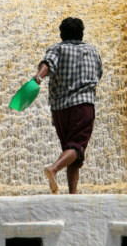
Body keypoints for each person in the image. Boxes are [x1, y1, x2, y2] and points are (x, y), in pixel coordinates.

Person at [35, 17, 103, 194]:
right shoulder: (92, 51)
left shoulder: (57, 48)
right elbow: (99, 73)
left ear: (62, 34)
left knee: (71, 150)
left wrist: (39, 77)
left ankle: (72, 193)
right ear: (81, 34)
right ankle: (54, 168)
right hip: (83, 105)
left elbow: (47, 64)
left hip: (60, 108)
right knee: (77, 146)